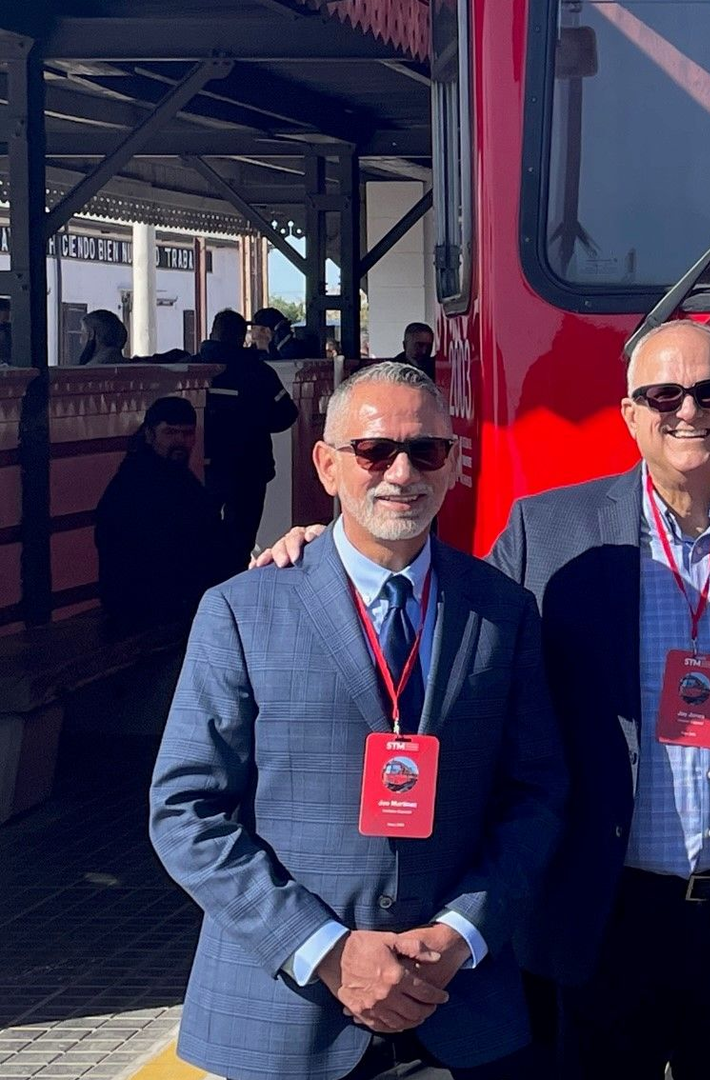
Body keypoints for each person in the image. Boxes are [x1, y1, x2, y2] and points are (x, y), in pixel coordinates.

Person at [256, 319, 710, 1078]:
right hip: (600, 919)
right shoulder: (552, 530)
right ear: (630, 414)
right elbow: (448, 618)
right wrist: (330, 552)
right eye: (662, 394)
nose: (688, 410)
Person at [149, 362, 567, 1080]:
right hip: (285, 1015)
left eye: (426, 450)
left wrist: (463, 931)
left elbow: (536, 793)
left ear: (454, 462)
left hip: (459, 1009)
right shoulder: (243, 609)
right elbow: (185, 811)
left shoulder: (502, 610)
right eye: (374, 451)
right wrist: (328, 949)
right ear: (327, 464)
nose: (401, 472)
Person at [93, 397, 227, 634]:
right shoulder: (133, 485)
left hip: (175, 610)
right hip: (143, 614)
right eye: (170, 432)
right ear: (149, 435)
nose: (180, 441)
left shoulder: (181, 480)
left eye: (187, 434)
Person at [200, 309, 299, 567]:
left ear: (213, 333)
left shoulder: (195, 369)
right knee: (241, 535)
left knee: (202, 529)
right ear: (240, 337)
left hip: (206, 466)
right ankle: (233, 583)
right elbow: (287, 414)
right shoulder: (258, 372)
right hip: (250, 465)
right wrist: (254, 423)